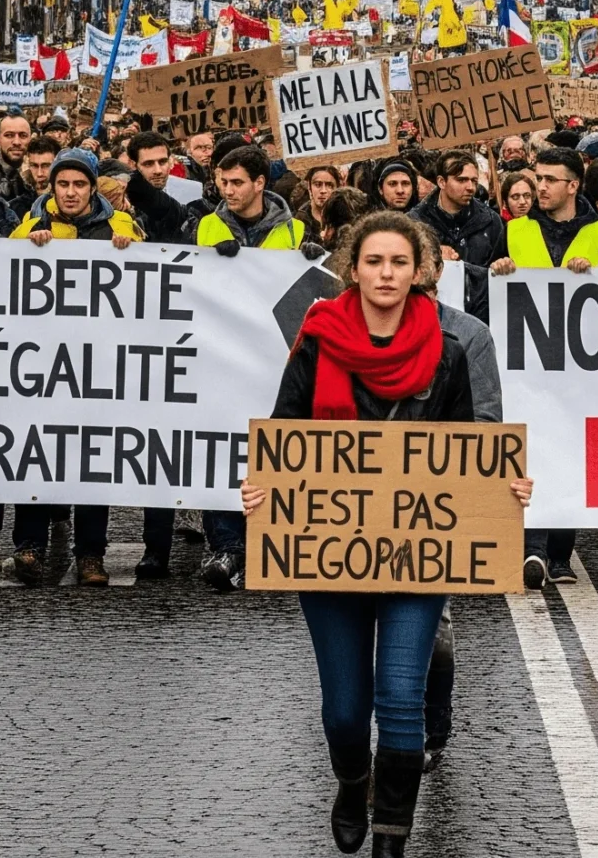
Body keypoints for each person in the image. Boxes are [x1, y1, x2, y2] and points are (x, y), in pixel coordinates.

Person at [240, 211, 527, 856]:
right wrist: (262, 489)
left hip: (417, 555)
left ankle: (391, 842)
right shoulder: (317, 341)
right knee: (346, 713)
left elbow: (474, 448)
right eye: (374, 261)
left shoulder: (452, 349)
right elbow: (285, 435)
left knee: (400, 701)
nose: (387, 274)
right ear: (353, 268)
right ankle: (352, 782)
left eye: (399, 262)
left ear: (420, 270)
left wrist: (501, 488)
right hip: (329, 553)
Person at [488, 147, 598, 587]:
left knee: (568, 454)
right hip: (526, 365)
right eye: (538, 178)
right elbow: (487, 288)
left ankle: (561, 555)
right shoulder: (514, 230)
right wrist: (498, 268)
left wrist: (596, 276)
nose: (540, 187)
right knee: (531, 453)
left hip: (580, 368)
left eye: (550, 180)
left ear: (573, 185)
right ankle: (533, 548)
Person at [3, 149, 140, 585]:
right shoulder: (29, 225)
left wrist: (130, 251)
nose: (71, 192)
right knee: (36, 453)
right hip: (42, 365)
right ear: (52, 186)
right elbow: (0, 274)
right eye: (63, 184)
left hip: (97, 366)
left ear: (93, 187)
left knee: (92, 460)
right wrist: (28, 246)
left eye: (79, 184)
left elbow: (148, 280)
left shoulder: (120, 226)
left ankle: (91, 556)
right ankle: (29, 547)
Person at [189, 144, 307, 589]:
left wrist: (313, 259)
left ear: (260, 183)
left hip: (277, 364)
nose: (228, 190)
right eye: (223, 181)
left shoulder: (296, 230)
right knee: (220, 450)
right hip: (220, 359)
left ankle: (272, 540)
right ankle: (227, 546)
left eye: (237, 182)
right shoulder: (206, 225)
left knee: (273, 448)